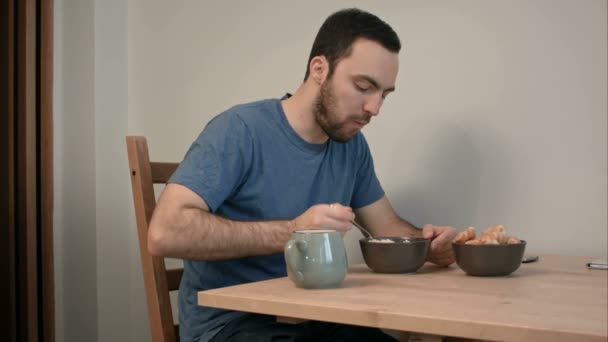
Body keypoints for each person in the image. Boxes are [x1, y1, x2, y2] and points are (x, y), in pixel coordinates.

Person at [148, 7, 458, 342]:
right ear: (319, 69)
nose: (374, 108)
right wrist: (292, 231)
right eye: (364, 86)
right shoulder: (240, 130)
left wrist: (428, 245)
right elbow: (164, 233)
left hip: (320, 319)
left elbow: (386, 227)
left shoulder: (351, 146)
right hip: (233, 326)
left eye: (384, 94)